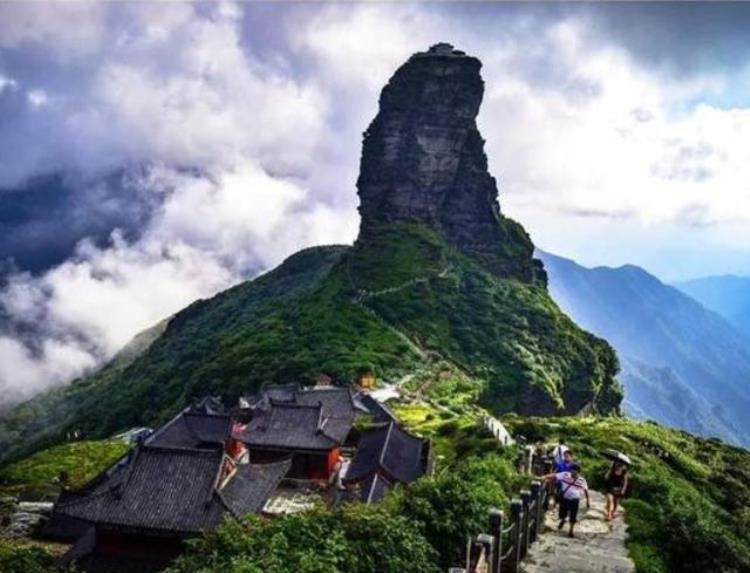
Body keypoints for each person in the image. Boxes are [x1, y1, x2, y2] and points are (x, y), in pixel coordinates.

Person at [542, 462, 590, 538]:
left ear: (578, 472)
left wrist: (588, 500)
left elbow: (585, 490)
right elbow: (554, 476)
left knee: (573, 515)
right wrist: (544, 477)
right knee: (562, 513)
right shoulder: (565, 474)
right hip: (565, 497)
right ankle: (563, 519)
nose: (572, 472)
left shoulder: (582, 480)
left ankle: (571, 530)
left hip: (575, 499)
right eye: (571, 470)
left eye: (574, 470)